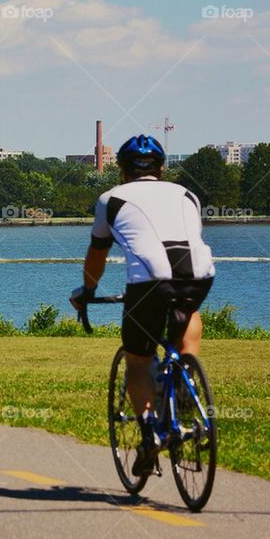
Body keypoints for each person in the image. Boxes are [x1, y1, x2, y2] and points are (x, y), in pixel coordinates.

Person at [69, 134, 215, 476]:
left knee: (138, 358)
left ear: (121, 170)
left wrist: (87, 290)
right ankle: (186, 376)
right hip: (200, 272)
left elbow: (98, 253)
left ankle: (149, 432)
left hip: (150, 279)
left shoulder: (111, 199)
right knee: (189, 311)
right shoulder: (187, 194)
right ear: (161, 168)